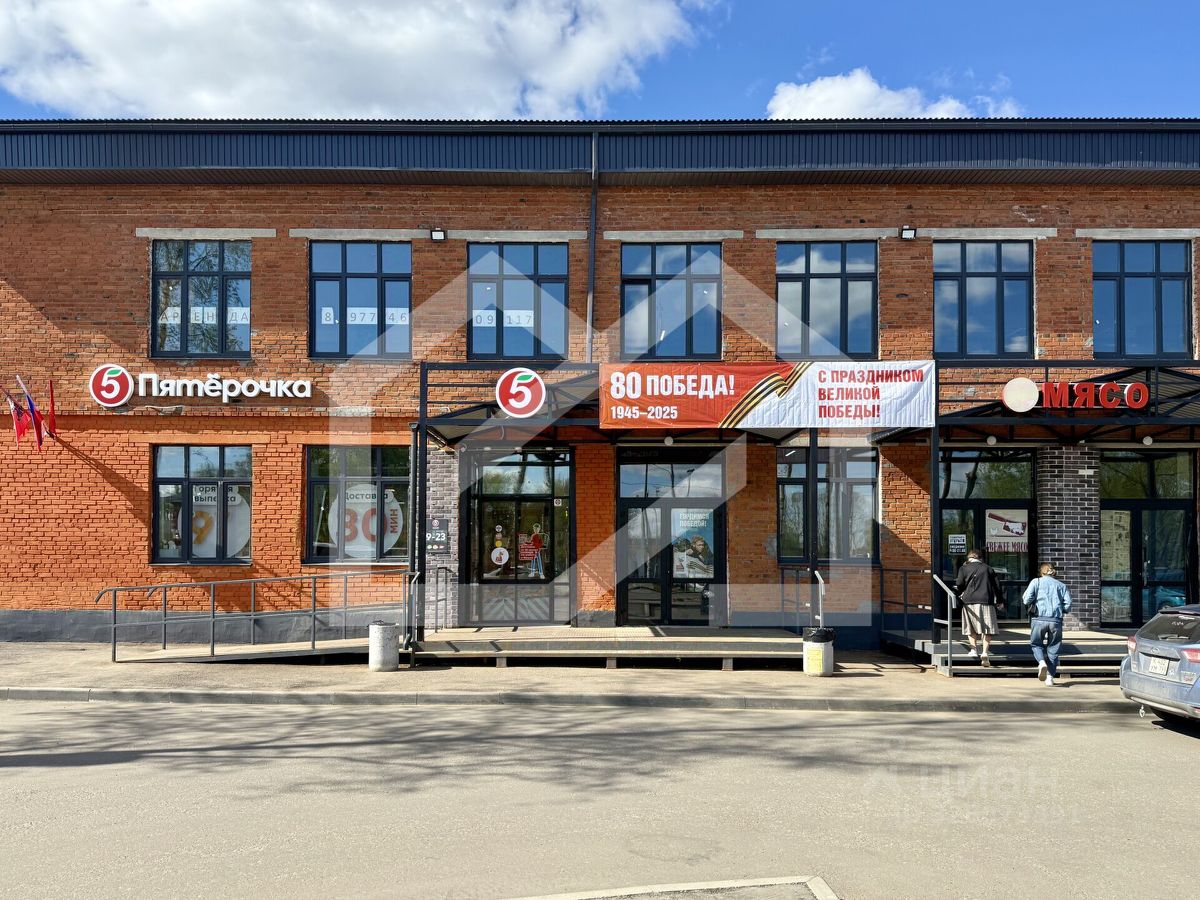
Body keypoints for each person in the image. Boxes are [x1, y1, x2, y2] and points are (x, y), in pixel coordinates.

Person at [1022, 562, 1073, 686]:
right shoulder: (1061, 585)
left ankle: (1041, 662)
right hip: (1055, 620)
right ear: (1053, 572)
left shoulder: (1036, 582)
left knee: (1036, 644)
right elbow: (1068, 604)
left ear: (1042, 572)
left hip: (1038, 618)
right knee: (1054, 648)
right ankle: (1050, 677)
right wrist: (1061, 609)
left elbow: (1026, 599)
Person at [954, 548, 1003, 666]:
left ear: (969, 558)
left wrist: (960, 592)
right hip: (986, 601)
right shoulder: (988, 568)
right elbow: (997, 586)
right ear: (980, 558)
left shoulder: (963, 568)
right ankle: (985, 652)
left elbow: (959, 584)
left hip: (969, 601)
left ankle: (973, 649)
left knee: (970, 626)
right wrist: (1000, 601)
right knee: (988, 627)